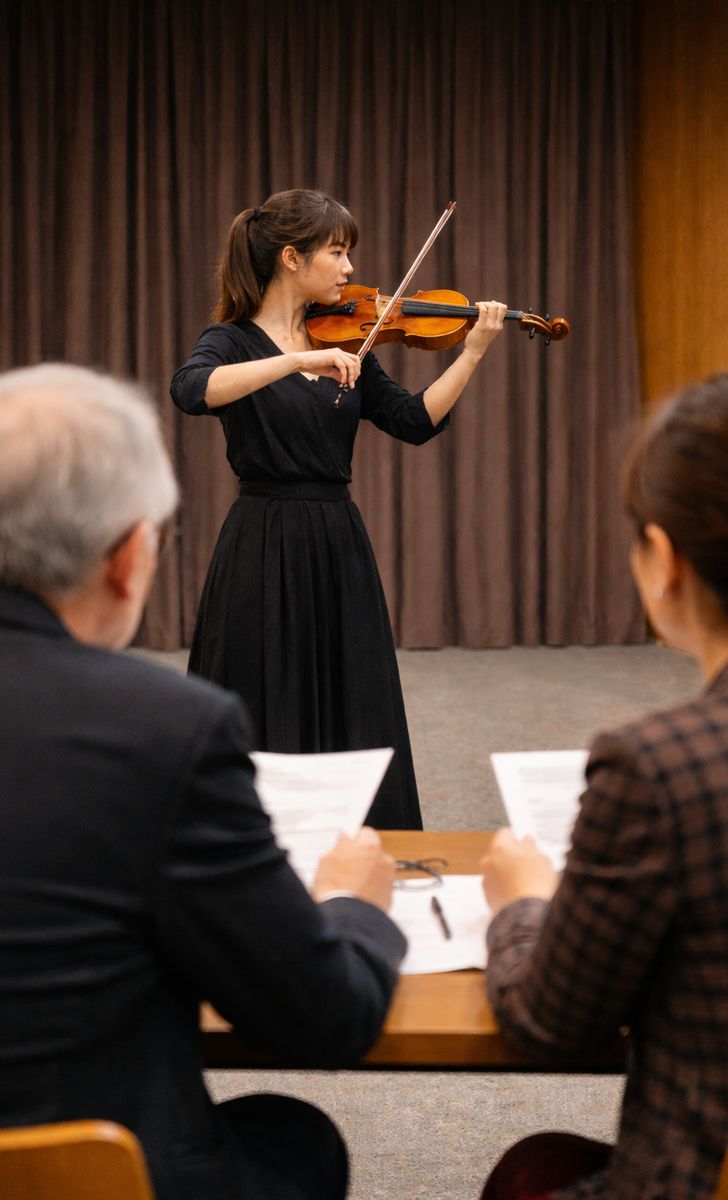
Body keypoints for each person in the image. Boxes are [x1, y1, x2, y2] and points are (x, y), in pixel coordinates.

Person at [0, 362, 407, 1200]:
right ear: (130, 557)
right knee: (301, 1139)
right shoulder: (166, 728)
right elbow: (324, 1016)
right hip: (110, 1174)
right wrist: (355, 903)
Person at [478, 372, 728, 1200]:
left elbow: (551, 1025)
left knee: (527, 1174)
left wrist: (520, 905)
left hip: (712, 1182)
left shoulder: (661, 766)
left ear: (665, 561)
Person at [171, 188, 507, 830]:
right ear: (292, 259)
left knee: (351, 693)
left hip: (335, 539)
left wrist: (472, 352)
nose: (350, 269)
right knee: (260, 688)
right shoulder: (232, 340)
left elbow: (414, 421)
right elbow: (191, 390)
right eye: (337, 252)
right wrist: (298, 360)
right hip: (261, 539)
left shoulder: (354, 337)